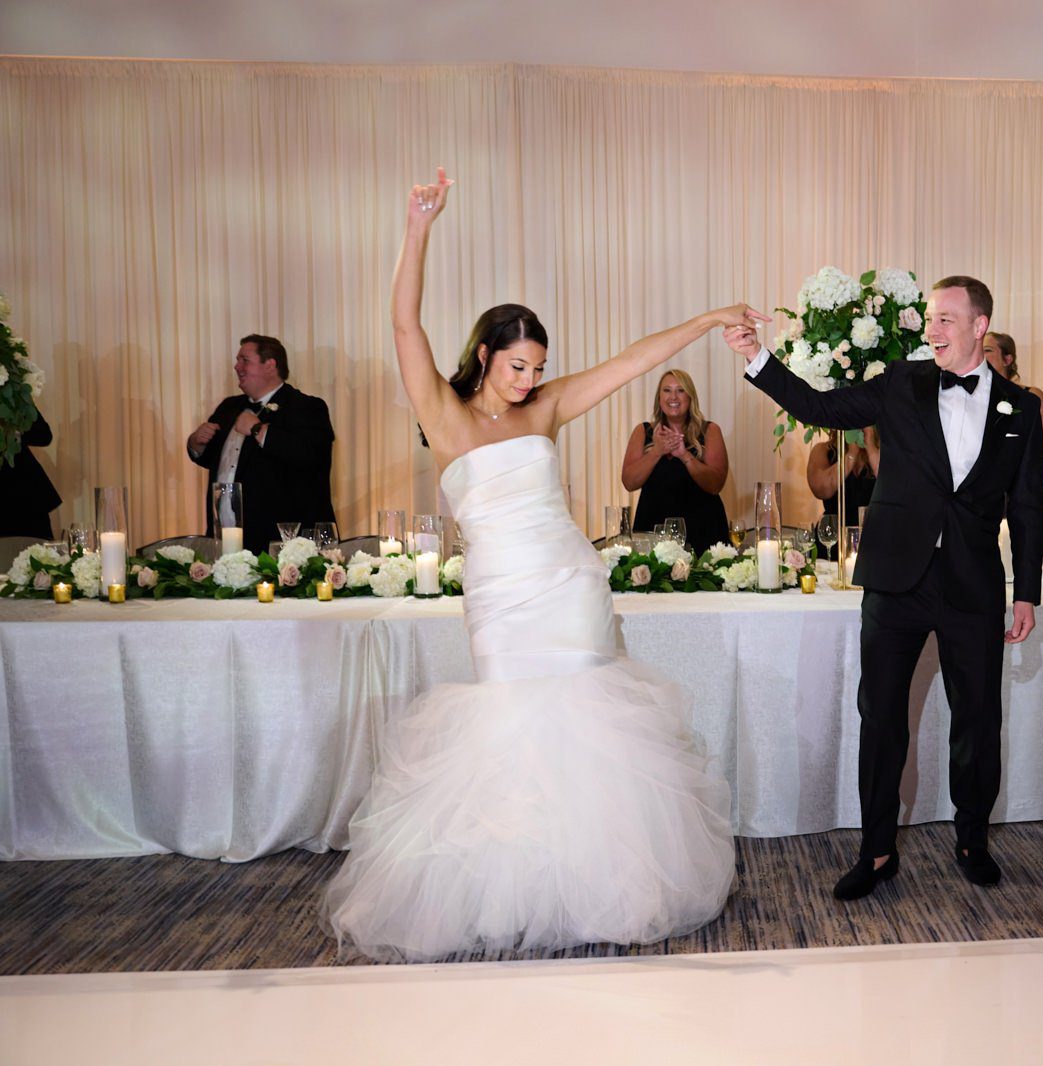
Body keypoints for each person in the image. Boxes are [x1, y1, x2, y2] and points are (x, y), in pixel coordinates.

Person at [323, 168, 762, 960]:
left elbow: (632, 362)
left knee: (592, 722)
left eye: (537, 368)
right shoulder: (446, 414)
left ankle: (599, 887)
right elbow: (403, 329)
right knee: (511, 729)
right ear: (486, 356)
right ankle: (515, 888)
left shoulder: (548, 405)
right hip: (500, 597)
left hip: (568, 585)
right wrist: (417, 228)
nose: (529, 381)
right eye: (516, 366)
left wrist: (701, 321)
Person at [724, 275, 1043, 900]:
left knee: (978, 720)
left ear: (980, 325)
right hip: (896, 581)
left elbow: (1029, 508)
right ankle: (876, 852)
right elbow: (821, 406)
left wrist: (1026, 591)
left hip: (973, 585)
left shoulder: (1022, 408)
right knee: (880, 720)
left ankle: (972, 838)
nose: (934, 330)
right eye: (931, 319)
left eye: (948, 320)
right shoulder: (903, 381)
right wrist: (758, 360)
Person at [187, 334, 335, 554]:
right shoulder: (229, 406)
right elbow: (216, 461)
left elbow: (311, 456)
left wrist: (258, 430)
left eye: (245, 360)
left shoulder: (305, 406)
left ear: (270, 365)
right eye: (238, 361)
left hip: (281, 543)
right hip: (225, 537)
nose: (237, 367)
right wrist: (196, 444)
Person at [621, 369, 729, 552]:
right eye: (667, 390)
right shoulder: (642, 431)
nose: (673, 397)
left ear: (690, 397)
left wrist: (684, 455)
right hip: (652, 529)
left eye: (680, 390)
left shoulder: (710, 430)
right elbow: (629, 482)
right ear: (659, 398)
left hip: (703, 530)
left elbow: (715, 484)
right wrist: (657, 451)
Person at [806, 427, 879, 560]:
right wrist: (850, 455)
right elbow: (821, 489)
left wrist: (871, 446)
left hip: (873, 539)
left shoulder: (884, 452)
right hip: (831, 539)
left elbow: (895, 486)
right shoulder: (823, 450)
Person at [983, 332, 1043, 455]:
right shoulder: (974, 396)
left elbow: (1038, 451)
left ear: (1007, 359)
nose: (980, 355)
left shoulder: (1032, 396)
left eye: (987, 350)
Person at [0, 410, 61, 539]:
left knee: (39, 554)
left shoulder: (11, 392)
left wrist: (16, 430)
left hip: (25, 495)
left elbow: (44, 435)